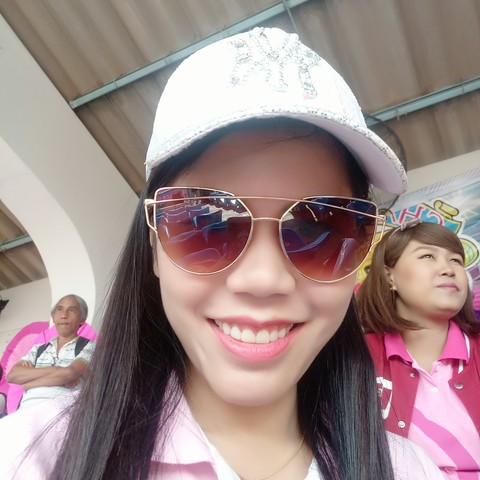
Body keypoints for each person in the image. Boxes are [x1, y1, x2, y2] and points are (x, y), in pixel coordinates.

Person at [0, 27, 444, 479]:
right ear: (153, 247)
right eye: (205, 222)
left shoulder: (411, 470)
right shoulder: (26, 457)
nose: (264, 279)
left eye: (320, 229)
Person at [357, 220, 480, 479]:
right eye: (428, 256)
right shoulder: (356, 357)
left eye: (456, 260)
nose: (448, 269)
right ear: (389, 277)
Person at [6, 294, 95, 410]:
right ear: (53, 317)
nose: (64, 315)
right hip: (26, 410)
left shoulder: (90, 346)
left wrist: (28, 384)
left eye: (71, 310)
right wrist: (57, 371)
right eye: (59, 309)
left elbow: (69, 373)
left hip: (63, 411)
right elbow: (12, 376)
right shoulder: (38, 349)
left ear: (82, 320)